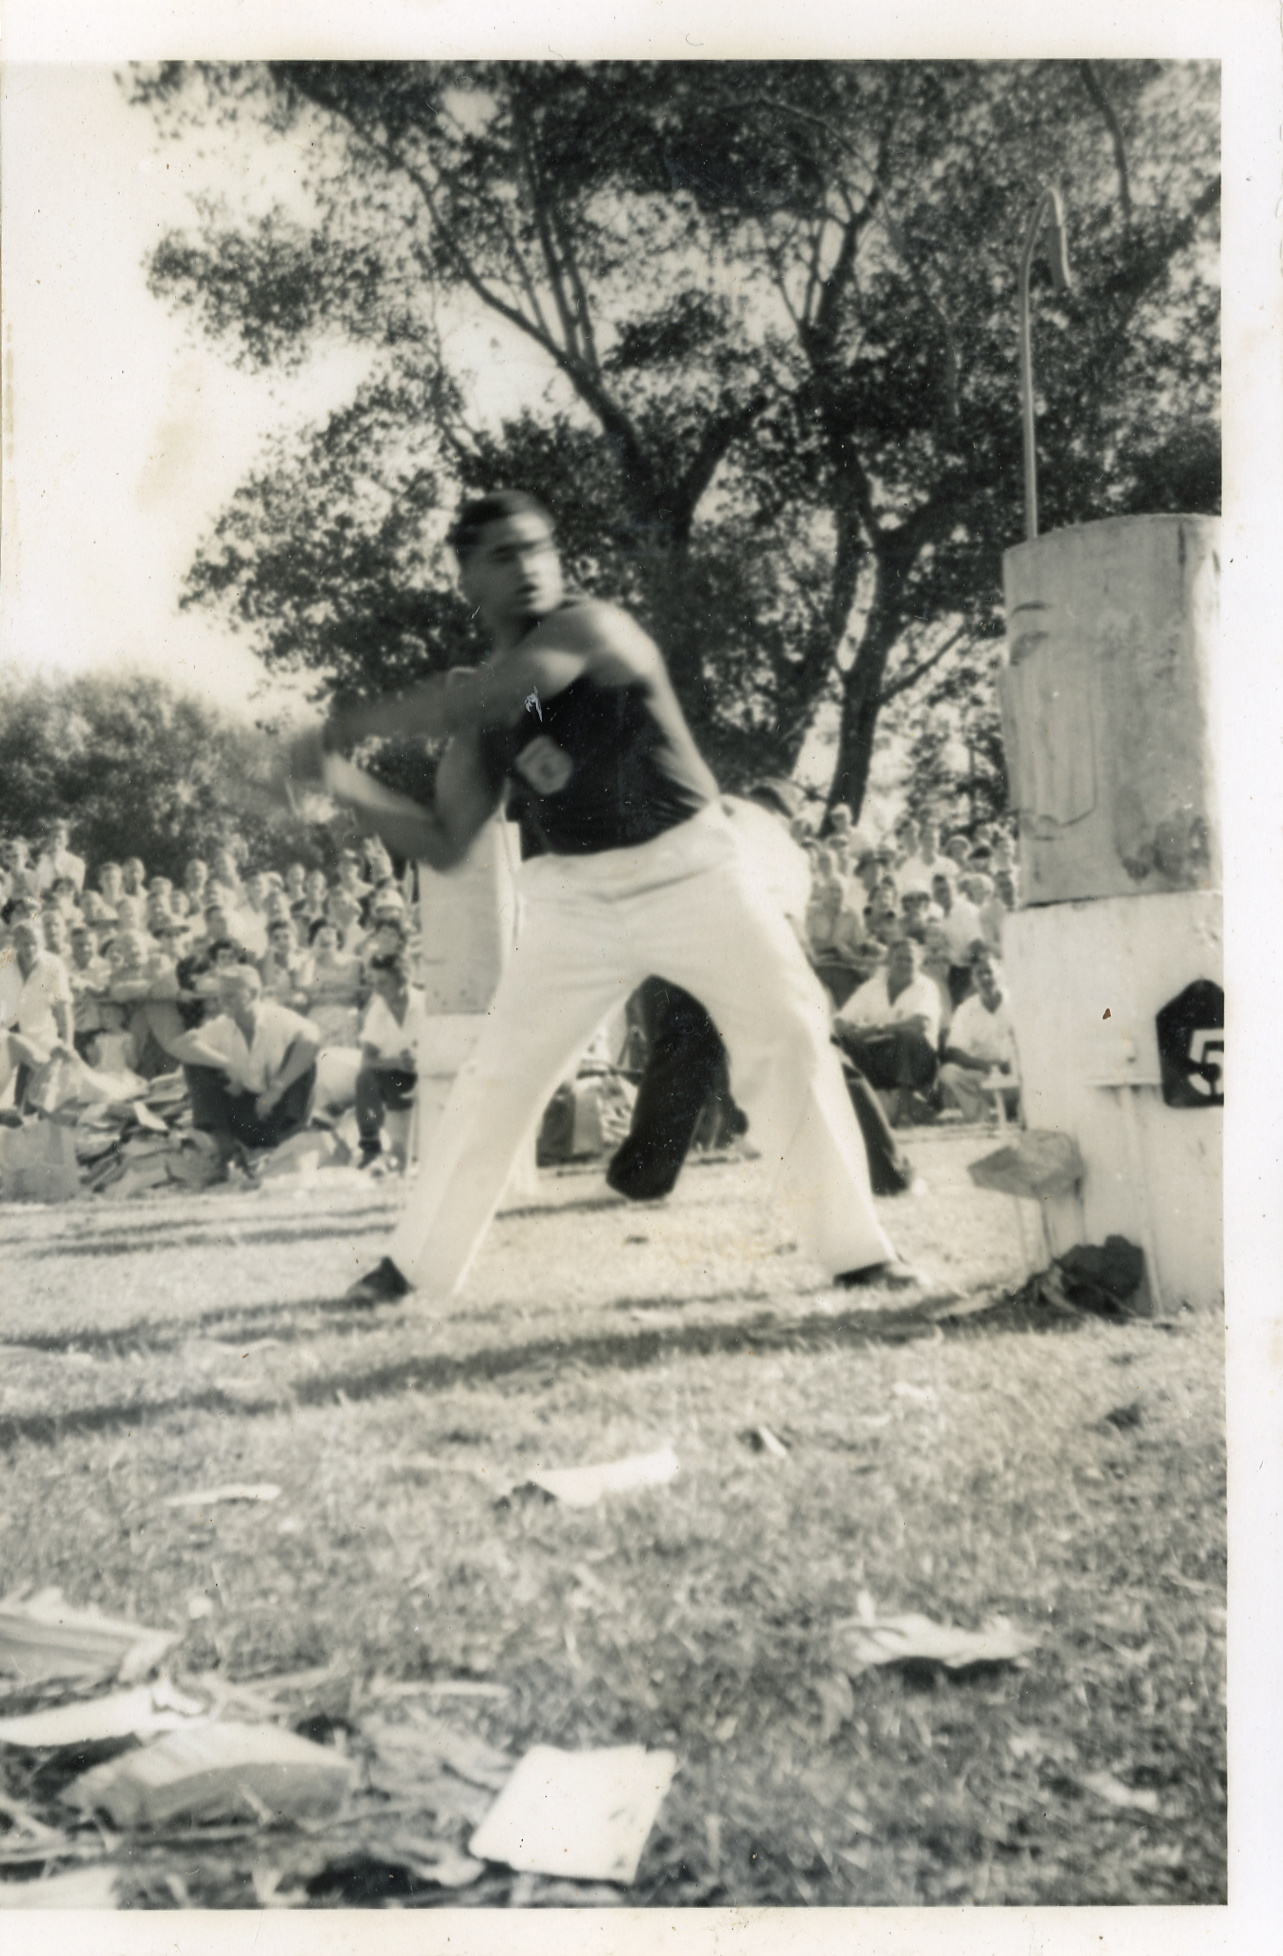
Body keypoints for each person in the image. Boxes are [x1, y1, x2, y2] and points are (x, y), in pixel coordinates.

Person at [290, 488, 911, 1304]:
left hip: (695, 872)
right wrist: (340, 780)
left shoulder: (590, 627)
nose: (528, 567)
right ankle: (409, 1272)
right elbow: (443, 843)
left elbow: (504, 690)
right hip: (573, 899)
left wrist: (345, 726)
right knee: (496, 1078)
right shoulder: (484, 707)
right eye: (502, 556)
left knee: (789, 1035)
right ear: (468, 579)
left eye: (537, 548)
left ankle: (858, 1254)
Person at [175, 964, 321, 1177]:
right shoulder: (222, 1024)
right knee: (196, 1062)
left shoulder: (279, 1018)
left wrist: (276, 1089)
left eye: (230, 995)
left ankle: (290, 1140)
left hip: (278, 1113)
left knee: (303, 1060)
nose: (222, 1002)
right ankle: (225, 1147)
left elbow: (311, 1041)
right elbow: (180, 1045)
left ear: (253, 993)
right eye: (219, 996)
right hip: (244, 1117)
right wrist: (226, 1064)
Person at [834, 935, 942, 1127]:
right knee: (841, 1040)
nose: (904, 964)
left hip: (918, 1060)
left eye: (910, 959)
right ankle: (855, 1108)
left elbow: (921, 1023)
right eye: (899, 958)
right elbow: (840, 1019)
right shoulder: (872, 986)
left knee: (908, 1035)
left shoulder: (927, 986)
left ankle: (904, 1112)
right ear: (889, 961)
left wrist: (877, 1028)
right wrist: (851, 1030)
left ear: (919, 962)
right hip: (880, 1056)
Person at [355, 950, 425, 1169]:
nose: (377, 990)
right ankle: (370, 1147)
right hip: (395, 1078)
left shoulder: (426, 1003)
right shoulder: (378, 1010)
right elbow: (367, 1061)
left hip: (426, 1074)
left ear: (402, 979)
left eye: (383, 983)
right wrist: (397, 1063)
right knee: (366, 1078)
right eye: (374, 983)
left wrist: (419, 1059)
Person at [0, 917, 75, 1114]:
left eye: (35, 943)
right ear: (15, 943)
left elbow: (63, 1007)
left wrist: (68, 1044)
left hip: (40, 1033)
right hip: (6, 1031)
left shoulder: (54, 964)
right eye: (25, 944)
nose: (30, 949)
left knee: (52, 1074)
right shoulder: (2, 960)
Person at [938, 952, 1020, 1123]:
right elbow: (954, 1051)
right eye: (979, 974)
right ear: (973, 979)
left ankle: (1023, 1112)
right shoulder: (965, 1009)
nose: (985, 978)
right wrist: (986, 1066)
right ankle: (980, 1119)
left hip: (1019, 1076)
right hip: (986, 1077)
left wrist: (1014, 1063)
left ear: (1001, 973)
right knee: (948, 1072)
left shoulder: (1018, 1002)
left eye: (989, 972)